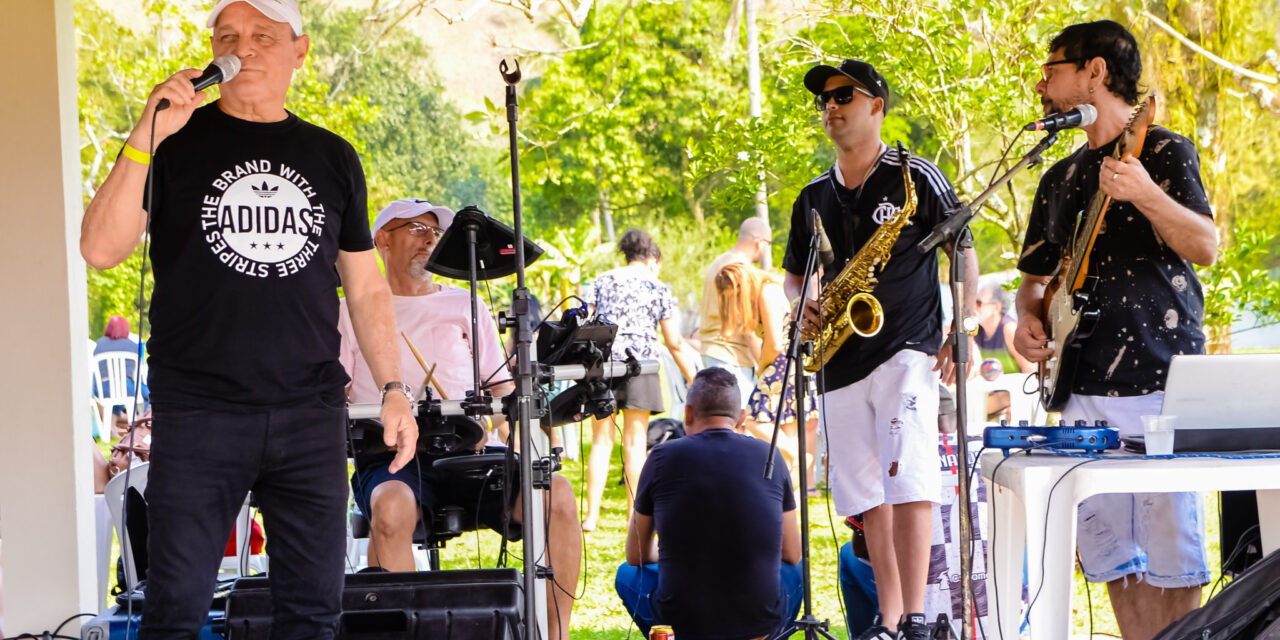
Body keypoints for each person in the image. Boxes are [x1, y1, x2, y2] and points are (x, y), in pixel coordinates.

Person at [78, 1, 416, 636]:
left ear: (300, 50)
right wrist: (143, 137)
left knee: (313, 614)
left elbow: (367, 289)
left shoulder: (333, 157)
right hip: (199, 411)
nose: (245, 48)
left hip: (309, 414)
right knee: (174, 607)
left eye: (264, 35)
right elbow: (99, 249)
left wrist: (394, 389)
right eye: (229, 36)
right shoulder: (172, 146)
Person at [1012, 21, 1217, 639]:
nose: (1042, 83)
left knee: (1174, 561)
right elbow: (1033, 283)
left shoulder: (1163, 150)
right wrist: (1026, 322)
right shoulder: (1057, 178)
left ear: (1095, 72)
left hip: (1161, 383)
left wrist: (1148, 195)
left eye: (1052, 69)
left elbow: (1205, 245)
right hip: (1081, 391)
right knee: (1115, 564)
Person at [785, 59, 979, 640]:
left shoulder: (917, 177)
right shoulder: (813, 196)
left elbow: (963, 252)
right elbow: (795, 275)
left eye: (845, 95)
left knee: (911, 479)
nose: (832, 106)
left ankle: (917, 615)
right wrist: (806, 302)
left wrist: (962, 325)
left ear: (877, 106)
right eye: (824, 99)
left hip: (907, 347)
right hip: (841, 359)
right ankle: (892, 619)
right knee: (870, 496)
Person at [337, 199, 582, 640]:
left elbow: (505, 395)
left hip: (470, 455)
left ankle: (554, 634)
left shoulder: (465, 303)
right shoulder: (349, 310)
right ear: (381, 240)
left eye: (435, 231)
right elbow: (335, 394)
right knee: (390, 511)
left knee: (557, 493)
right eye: (414, 228)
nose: (429, 238)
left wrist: (526, 447)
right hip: (390, 456)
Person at [615, 367, 802, 639]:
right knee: (796, 575)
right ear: (741, 418)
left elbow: (636, 555)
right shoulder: (769, 454)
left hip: (682, 620)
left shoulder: (660, 457)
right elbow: (792, 554)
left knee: (626, 575)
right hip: (758, 621)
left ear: (688, 413)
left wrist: (673, 550)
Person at [582, 229, 697, 531]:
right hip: (641, 366)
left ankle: (591, 517)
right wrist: (694, 378)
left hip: (602, 364)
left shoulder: (601, 280)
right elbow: (674, 341)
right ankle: (633, 514)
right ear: (653, 260)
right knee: (634, 443)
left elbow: (584, 322)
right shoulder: (658, 286)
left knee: (600, 441)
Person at [714, 261, 819, 496]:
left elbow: (773, 342)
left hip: (784, 362)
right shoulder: (761, 295)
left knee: (752, 417)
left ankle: (799, 454)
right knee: (789, 426)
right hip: (790, 364)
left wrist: (762, 367)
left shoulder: (767, 291)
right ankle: (790, 491)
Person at [699, 217, 773, 406]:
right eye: (768, 244)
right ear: (759, 243)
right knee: (741, 424)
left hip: (711, 351)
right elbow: (748, 327)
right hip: (731, 358)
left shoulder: (718, 263)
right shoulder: (740, 272)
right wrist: (764, 366)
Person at [92, 315, 150, 438]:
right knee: (149, 393)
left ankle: (111, 428)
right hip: (125, 387)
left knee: (114, 392)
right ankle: (144, 425)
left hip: (102, 389)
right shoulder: (131, 346)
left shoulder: (99, 344)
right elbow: (136, 371)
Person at [974, 280, 1033, 375]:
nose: (974, 307)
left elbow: (1030, 370)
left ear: (997, 307)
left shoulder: (1010, 330)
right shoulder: (977, 332)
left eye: (979, 303)